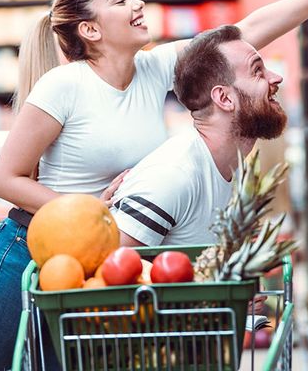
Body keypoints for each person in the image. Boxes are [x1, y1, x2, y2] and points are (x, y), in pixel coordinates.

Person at [0, 0, 308, 371]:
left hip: (83, 271)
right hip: (18, 258)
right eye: (120, 0)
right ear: (91, 31)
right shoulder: (64, 87)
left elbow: (245, 32)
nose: (138, 4)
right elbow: (6, 179)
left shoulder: (153, 69)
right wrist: (90, 209)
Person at [109, 25, 285, 246]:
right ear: (224, 98)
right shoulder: (172, 178)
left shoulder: (231, 165)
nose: (276, 78)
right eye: (257, 71)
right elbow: (110, 272)